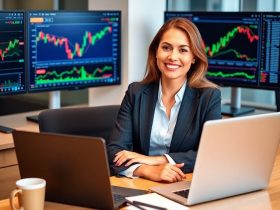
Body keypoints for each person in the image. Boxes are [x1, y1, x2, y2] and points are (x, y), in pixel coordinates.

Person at [107, 18, 221, 183]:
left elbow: (212, 153)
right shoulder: (136, 92)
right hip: (140, 184)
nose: (173, 57)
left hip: (185, 183)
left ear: (194, 57)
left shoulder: (209, 96)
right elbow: (114, 151)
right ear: (156, 52)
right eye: (166, 48)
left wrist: (159, 159)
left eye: (183, 50)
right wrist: (147, 170)